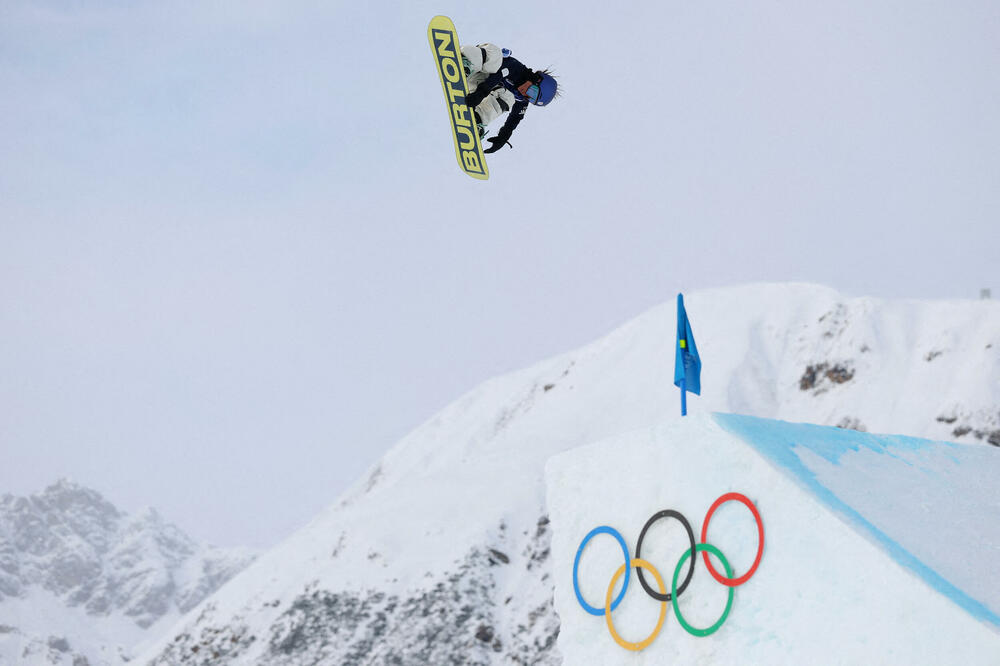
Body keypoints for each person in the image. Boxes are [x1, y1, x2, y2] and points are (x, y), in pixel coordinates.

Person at [461, 43, 558, 154]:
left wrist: (503, 137)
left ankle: (477, 118)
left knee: (509, 98)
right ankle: (466, 61)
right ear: (536, 80)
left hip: (474, 83)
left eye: (531, 99)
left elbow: (515, 118)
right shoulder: (516, 68)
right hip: (476, 64)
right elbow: (498, 75)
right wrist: (481, 93)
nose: (526, 95)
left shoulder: (522, 98)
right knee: (496, 58)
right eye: (532, 92)